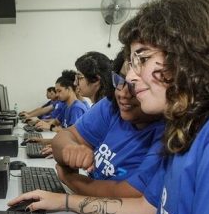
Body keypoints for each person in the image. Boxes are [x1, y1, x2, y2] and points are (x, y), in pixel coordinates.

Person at [9, 0, 209, 214]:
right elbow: (150, 210)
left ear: (190, 55)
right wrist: (64, 201)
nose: (131, 78)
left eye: (143, 59)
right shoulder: (187, 128)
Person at [51, 49, 163, 199]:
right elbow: (65, 136)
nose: (123, 93)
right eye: (120, 80)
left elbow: (130, 194)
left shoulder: (165, 134)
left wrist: (71, 179)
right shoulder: (111, 106)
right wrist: (70, 149)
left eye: (135, 85)